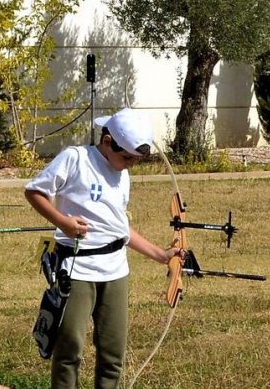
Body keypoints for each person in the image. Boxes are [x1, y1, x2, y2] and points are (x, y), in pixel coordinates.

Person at [24, 108, 179, 389]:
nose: (131, 164)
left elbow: (118, 227)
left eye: (136, 159)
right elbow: (34, 191)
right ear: (108, 141)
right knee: (69, 349)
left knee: (112, 353)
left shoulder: (122, 174)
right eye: (127, 157)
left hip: (115, 271)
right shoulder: (76, 159)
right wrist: (64, 222)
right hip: (77, 269)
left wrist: (160, 255)